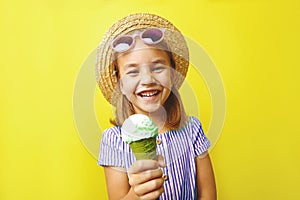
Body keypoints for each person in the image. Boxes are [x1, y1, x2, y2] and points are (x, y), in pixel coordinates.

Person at [96, 13, 216, 200]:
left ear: (172, 73)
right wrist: (138, 192)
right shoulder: (114, 140)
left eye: (158, 67)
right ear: (120, 82)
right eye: (133, 71)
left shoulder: (192, 130)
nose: (147, 80)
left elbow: (208, 195)